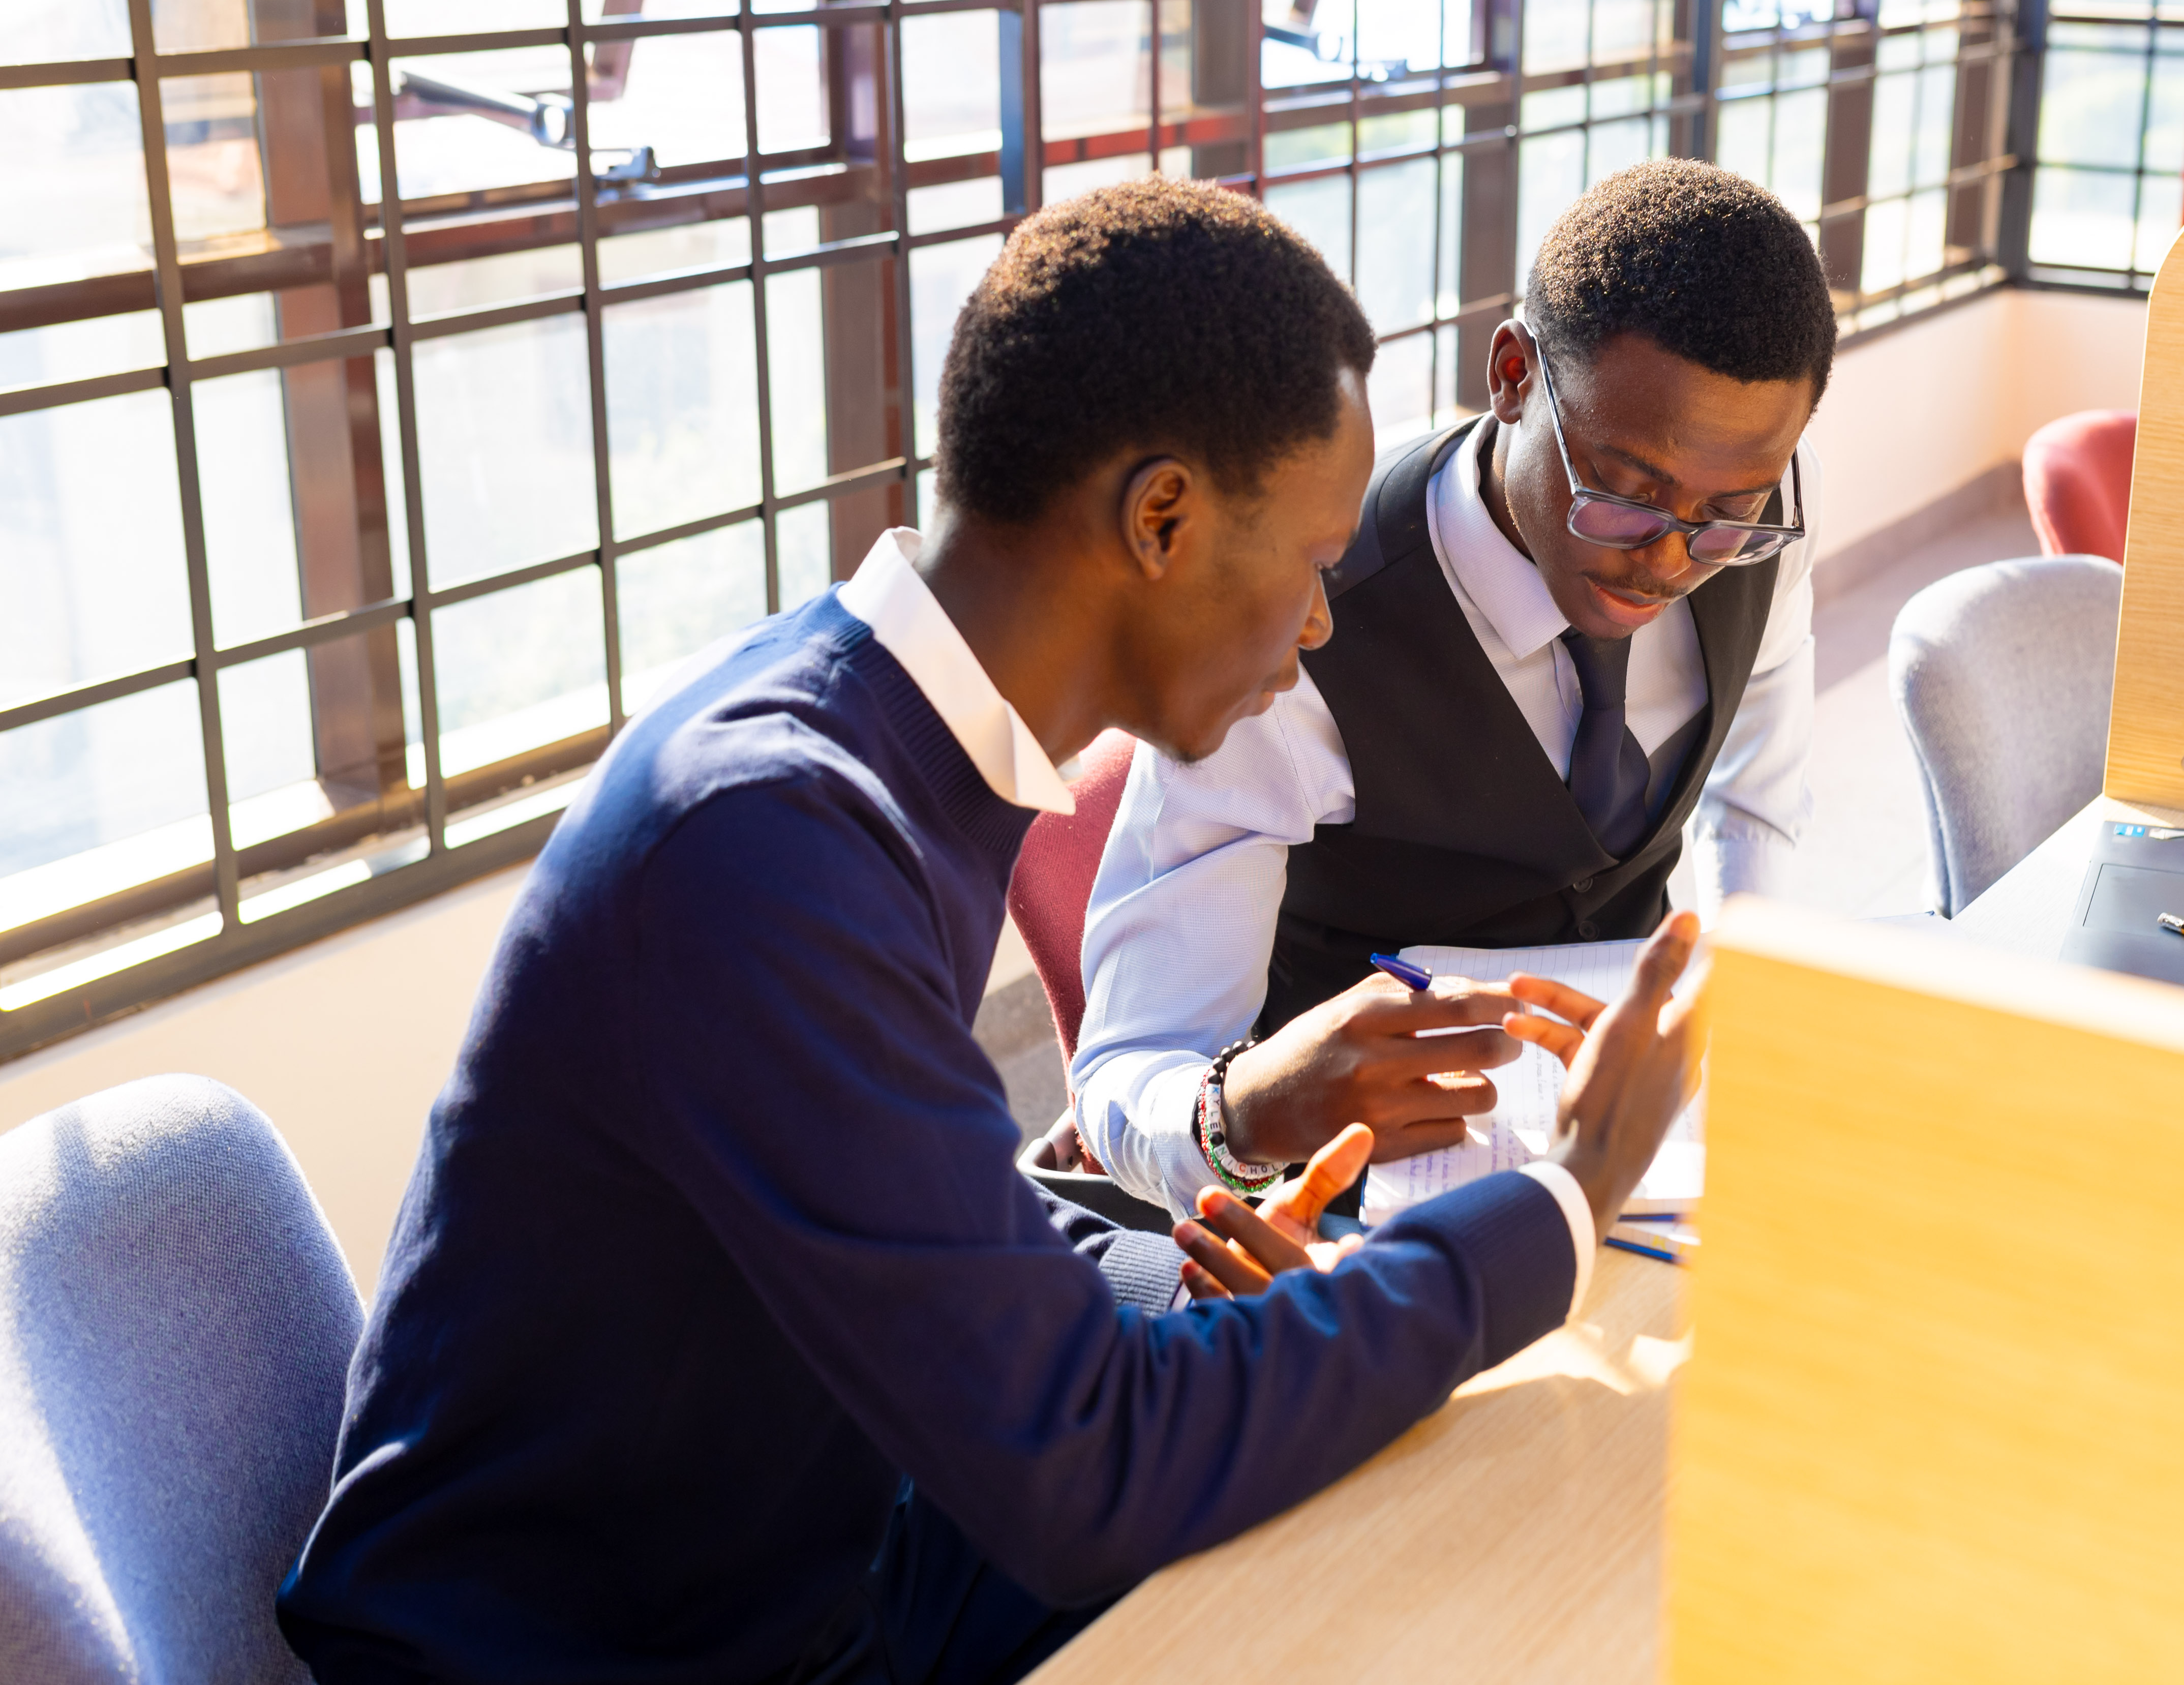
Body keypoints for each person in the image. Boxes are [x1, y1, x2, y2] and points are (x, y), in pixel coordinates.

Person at [275, 178, 1698, 1685]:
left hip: (815, 1534)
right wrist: (1560, 1198)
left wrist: (1176, 1261)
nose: (1320, 624)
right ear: (1161, 519)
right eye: (1311, 561)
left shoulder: (883, 742)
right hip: (596, 1653)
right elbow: (1084, 1467)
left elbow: (905, 1199)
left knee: (1425, 1533)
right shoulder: (764, 845)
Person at [1070, 158, 1832, 1215]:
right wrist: (1249, 1115)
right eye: (1625, 492)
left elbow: (1755, 796)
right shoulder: (1292, 627)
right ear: (1513, 375)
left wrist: (1740, 987)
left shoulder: (1759, 523)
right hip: (1359, 1209)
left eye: (1728, 512)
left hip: (1645, 1163)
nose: (1670, 558)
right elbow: (1127, 1071)